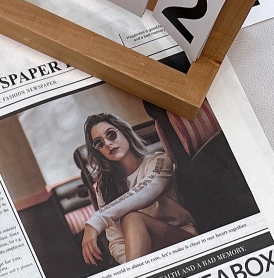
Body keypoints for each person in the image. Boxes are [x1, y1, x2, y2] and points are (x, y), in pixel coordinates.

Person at [80, 112, 197, 267]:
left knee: (131, 218)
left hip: (182, 240)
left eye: (111, 134)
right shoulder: (104, 187)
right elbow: (116, 242)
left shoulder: (159, 161)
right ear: (98, 151)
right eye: (99, 143)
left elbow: (146, 191)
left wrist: (97, 220)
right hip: (146, 259)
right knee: (130, 222)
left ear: (124, 132)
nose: (107, 143)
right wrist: (134, 258)